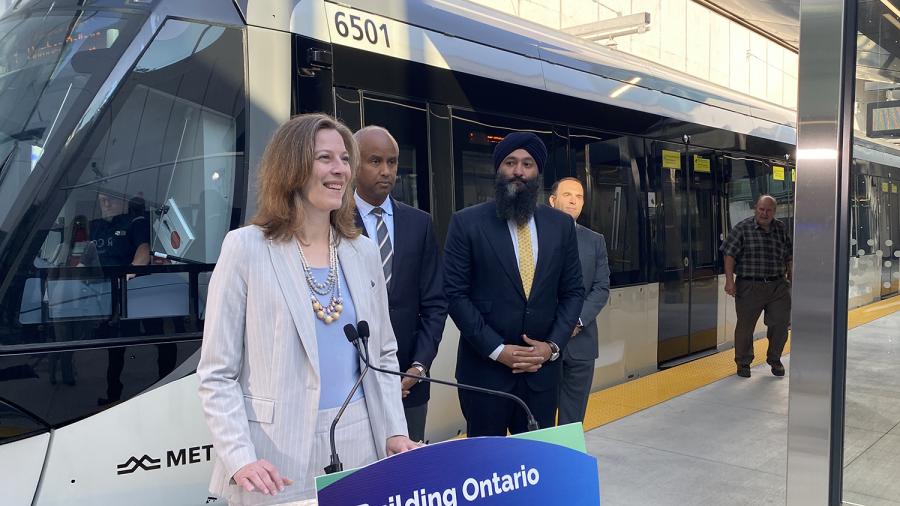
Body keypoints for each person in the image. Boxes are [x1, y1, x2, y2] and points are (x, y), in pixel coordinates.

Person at [197, 113, 418, 506]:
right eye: (325, 158)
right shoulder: (245, 248)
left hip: (360, 441)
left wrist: (394, 432)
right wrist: (239, 456)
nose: (340, 170)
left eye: (345, 159)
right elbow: (217, 373)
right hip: (272, 457)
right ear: (292, 167)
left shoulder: (363, 252)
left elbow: (382, 353)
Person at [443, 131, 584, 436]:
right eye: (510, 162)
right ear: (498, 169)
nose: (518, 171)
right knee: (486, 471)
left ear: (537, 173)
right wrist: (497, 349)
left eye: (527, 164)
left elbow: (573, 291)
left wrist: (551, 347)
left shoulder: (561, 226)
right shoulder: (466, 223)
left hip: (541, 376)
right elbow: (455, 294)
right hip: (484, 375)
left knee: (536, 468)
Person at [352, 126, 448, 443]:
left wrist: (419, 366)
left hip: (410, 381)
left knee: (408, 476)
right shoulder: (332, 221)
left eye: (392, 162)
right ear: (353, 164)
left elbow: (434, 301)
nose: (386, 171)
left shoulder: (419, 223)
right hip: (353, 382)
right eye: (375, 161)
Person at [548, 177, 610, 425]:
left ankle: (566, 462)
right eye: (567, 195)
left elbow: (601, 287)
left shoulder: (595, 241)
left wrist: (576, 321)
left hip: (581, 343)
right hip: (542, 342)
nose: (574, 200)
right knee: (539, 417)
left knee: (572, 420)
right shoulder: (533, 237)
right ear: (552, 201)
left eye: (579, 196)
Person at [722, 194, 793, 378]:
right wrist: (729, 280)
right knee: (745, 327)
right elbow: (729, 254)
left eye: (769, 210)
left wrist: (791, 277)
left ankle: (774, 359)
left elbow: (789, 255)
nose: (764, 213)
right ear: (755, 209)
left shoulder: (780, 228)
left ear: (774, 212)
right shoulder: (742, 228)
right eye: (761, 209)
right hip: (749, 285)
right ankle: (743, 363)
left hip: (778, 285)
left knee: (781, 323)